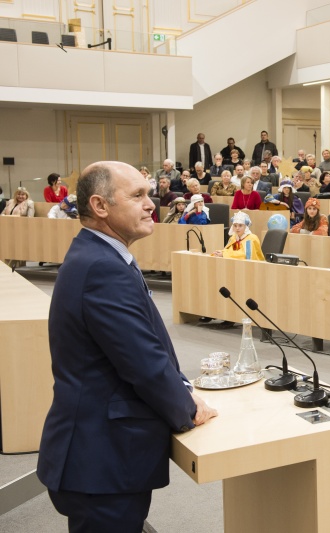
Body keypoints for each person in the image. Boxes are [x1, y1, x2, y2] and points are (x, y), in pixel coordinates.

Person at [37, 161, 216, 532]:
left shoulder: (100, 256)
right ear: (101, 206)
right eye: (137, 196)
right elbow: (142, 362)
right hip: (101, 459)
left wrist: (183, 388)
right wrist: (188, 406)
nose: (151, 204)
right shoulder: (102, 267)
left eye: (149, 194)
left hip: (98, 455)